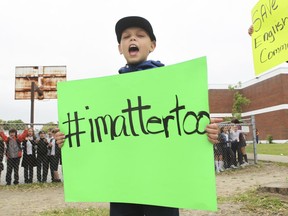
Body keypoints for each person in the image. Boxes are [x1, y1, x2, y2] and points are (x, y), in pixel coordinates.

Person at [54, 16, 222, 216]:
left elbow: (187, 124)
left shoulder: (172, 83)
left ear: (152, 45)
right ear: (120, 47)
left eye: (140, 36)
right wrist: (68, 137)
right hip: (123, 183)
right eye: (126, 37)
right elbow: (94, 133)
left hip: (162, 181)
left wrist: (207, 130)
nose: (132, 39)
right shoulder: (107, 94)